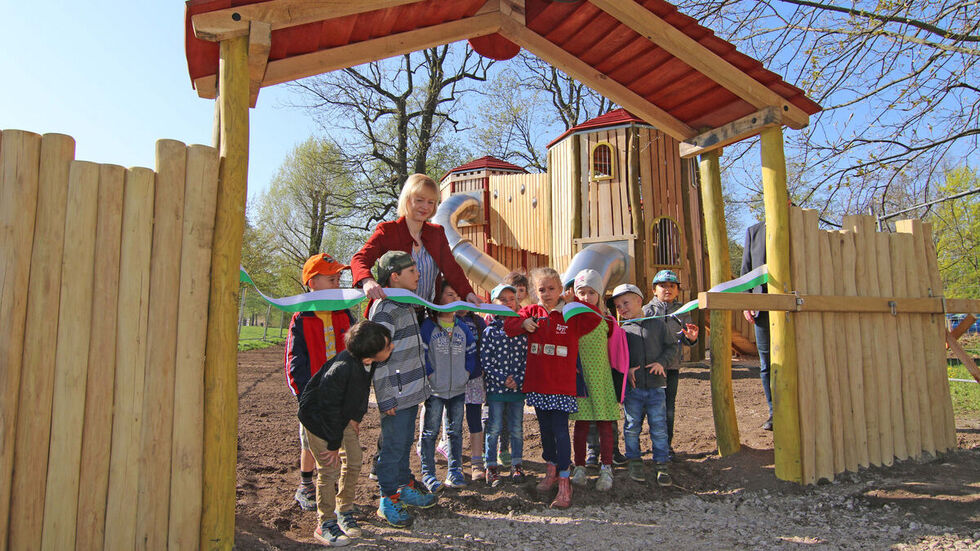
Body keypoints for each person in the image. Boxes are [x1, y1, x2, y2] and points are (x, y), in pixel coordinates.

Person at [504, 267, 601, 508]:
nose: (546, 294)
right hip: (537, 384)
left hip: (562, 385)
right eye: (541, 290)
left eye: (551, 289)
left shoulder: (572, 314)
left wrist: (574, 301)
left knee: (560, 430)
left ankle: (565, 482)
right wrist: (523, 323)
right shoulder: (532, 312)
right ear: (535, 293)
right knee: (545, 429)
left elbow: (596, 317)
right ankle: (550, 471)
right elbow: (508, 325)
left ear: (560, 290)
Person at [297, 321, 394, 546]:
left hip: (340, 417)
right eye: (387, 346)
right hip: (318, 420)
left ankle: (344, 510)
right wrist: (332, 444)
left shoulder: (368, 363)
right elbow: (329, 407)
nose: (392, 347)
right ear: (371, 353)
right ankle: (326, 523)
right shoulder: (342, 368)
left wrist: (355, 418)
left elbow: (359, 394)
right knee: (328, 470)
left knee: (354, 460)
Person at [368, 250, 437, 528]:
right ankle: (388, 499)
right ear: (394, 276)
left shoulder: (406, 304)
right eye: (412, 271)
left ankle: (403, 486)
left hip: (411, 392)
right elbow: (378, 358)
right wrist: (385, 399)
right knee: (393, 447)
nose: (418, 274)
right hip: (395, 396)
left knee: (405, 442)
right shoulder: (384, 310)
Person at [284, 253, 357, 511]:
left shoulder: (344, 314)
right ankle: (305, 484)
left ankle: (338, 490)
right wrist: (304, 395)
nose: (338, 283)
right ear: (312, 283)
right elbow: (294, 361)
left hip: (340, 394)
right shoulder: (301, 319)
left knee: (342, 440)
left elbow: (354, 351)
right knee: (310, 440)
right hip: (313, 396)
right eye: (331, 279)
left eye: (338, 278)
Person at [350, 173, 481, 305]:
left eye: (431, 202)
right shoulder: (388, 231)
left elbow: (452, 269)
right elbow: (359, 259)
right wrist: (367, 280)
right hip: (391, 313)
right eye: (419, 200)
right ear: (407, 200)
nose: (425, 206)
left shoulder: (437, 234)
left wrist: (468, 293)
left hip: (426, 315)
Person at [612, 284, 678, 486]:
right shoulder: (623, 331)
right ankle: (634, 460)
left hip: (657, 387)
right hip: (633, 390)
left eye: (626, 303)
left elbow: (672, 347)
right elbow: (618, 358)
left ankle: (661, 463)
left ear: (639, 301)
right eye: (618, 305)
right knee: (632, 426)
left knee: (658, 427)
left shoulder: (657, 325)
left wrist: (662, 363)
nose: (622, 308)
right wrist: (628, 369)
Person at [417, 282, 479, 492]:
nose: (455, 299)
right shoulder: (428, 327)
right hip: (435, 391)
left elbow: (472, 352)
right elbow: (422, 355)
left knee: (454, 432)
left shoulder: (462, 327)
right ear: (437, 299)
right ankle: (428, 474)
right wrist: (431, 375)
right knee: (430, 432)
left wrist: (466, 373)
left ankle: (455, 471)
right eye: (450, 295)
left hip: (458, 390)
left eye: (457, 295)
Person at [567, 269, 622, 492]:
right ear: (575, 294)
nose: (587, 298)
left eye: (592, 293)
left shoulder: (607, 321)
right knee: (580, 425)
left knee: (604, 424)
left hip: (601, 379)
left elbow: (617, 350)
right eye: (582, 292)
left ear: (599, 295)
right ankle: (579, 466)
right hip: (580, 380)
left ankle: (606, 467)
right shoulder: (571, 319)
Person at [643, 269, 700, 456]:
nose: (667, 289)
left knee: (668, 407)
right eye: (663, 286)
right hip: (649, 368)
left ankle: (665, 445)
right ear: (654, 290)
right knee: (644, 406)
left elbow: (685, 339)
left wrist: (691, 338)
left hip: (671, 367)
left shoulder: (683, 312)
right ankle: (636, 446)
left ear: (677, 290)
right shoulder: (645, 311)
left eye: (672, 286)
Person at [481, 283, 528, 487]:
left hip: (517, 390)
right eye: (502, 299)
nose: (508, 303)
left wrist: (517, 379)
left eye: (511, 298)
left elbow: (528, 358)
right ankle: (491, 467)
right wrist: (502, 379)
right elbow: (486, 361)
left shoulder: (524, 329)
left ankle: (517, 465)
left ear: (517, 302)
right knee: (494, 428)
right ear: (494, 304)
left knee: (517, 428)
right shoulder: (490, 331)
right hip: (496, 390)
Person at [741, 220, 773, 430]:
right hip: (762, 308)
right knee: (767, 363)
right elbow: (746, 270)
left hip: (796, 306)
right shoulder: (754, 232)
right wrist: (747, 302)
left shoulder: (800, 222)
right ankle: (774, 412)